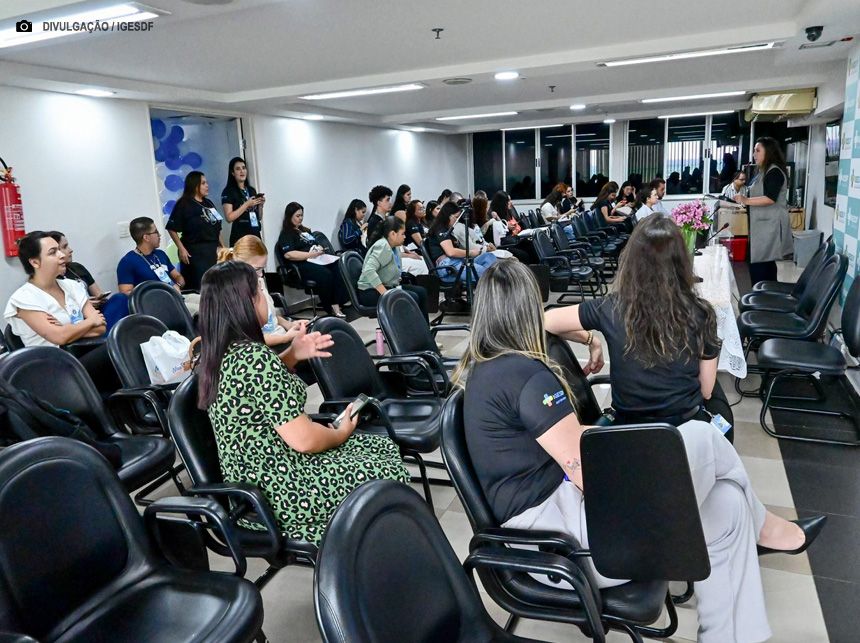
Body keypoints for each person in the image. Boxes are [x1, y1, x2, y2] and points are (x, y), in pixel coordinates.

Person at [457, 258, 826, 643]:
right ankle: (766, 528)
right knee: (699, 437)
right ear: (528, 310)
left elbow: (570, 446)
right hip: (565, 549)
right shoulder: (524, 377)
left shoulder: (493, 369)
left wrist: (636, 457)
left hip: (565, 524)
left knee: (730, 507)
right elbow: (582, 469)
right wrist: (643, 471)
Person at [197, 261, 409, 545]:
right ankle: (380, 545)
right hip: (279, 486)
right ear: (245, 303)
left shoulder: (222, 352)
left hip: (252, 477)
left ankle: (378, 534)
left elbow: (256, 392)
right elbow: (305, 441)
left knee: (377, 446)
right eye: (260, 292)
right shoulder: (254, 359)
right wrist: (341, 432)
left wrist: (293, 354)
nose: (265, 299)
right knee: (384, 467)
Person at [4, 231, 118, 392]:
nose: (62, 255)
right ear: (35, 262)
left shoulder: (72, 286)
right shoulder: (24, 299)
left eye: (59, 249)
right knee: (116, 350)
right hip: (53, 368)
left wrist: (67, 330)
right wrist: (88, 323)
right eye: (53, 252)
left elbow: (100, 327)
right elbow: (60, 336)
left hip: (84, 353)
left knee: (122, 346)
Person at [216, 235, 307, 348]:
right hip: (264, 348)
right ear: (239, 267)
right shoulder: (235, 296)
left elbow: (271, 316)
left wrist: (290, 324)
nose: (261, 274)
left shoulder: (258, 281)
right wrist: (286, 338)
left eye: (262, 268)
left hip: (280, 336)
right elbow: (251, 339)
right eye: (256, 269)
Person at [734, 138, 793, 286]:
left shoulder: (774, 172)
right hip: (761, 226)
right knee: (761, 266)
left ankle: (765, 297)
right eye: (754, 150)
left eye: (757, 150)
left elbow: (770, 198)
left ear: (769, 152)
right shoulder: (762, 171)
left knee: (762, 267)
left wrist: (746, 200)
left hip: (770, 227)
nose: (754, 154)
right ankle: (764, 295)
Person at [276, 202, 348, 318]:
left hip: (316, 259)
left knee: (338, 266)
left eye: (301, 215)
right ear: (290, 216)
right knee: (326, 274)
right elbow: (289, 254)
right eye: (297, 216)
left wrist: (319, 249)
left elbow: (315, 243)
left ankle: (339, 302)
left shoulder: (305, 231)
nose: (300, 218)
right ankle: (330, 306)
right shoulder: (287, 234)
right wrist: (309, 255)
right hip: (302, 265)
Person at [49, 231, 128, 330]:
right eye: (65, 247)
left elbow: (98, 293)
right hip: (77, 318)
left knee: (120, 299)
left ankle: (111, 333)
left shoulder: (77, 268)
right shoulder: (51, 278)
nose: (70, 250)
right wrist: (83, 305)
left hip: (96, 311)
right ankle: (110, 336)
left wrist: (99, 299)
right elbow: (60, 311)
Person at [357, 217, 429, 320]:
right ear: (392, 234)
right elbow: (368, 270)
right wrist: (386, 294)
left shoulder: (393, 246)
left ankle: (424, 332)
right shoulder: (383, 246)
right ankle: (408, 333)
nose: (405, 236)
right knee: (412, 297)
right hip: (370, 292)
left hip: (389, 286)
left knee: (421, 292)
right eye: (402, 234)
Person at [166, 171, 223, 291]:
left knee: (216, 284)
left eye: (206, 182)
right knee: (200, 285)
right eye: (203, 183)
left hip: (212, 250)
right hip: (195, 251)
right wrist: (181, 249)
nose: (207, 185)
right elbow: (171, 228)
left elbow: (217, 227)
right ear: (194, 185)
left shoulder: (209, 203)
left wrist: (223, 247)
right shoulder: (184, 203)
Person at [425, 202, 497, 283]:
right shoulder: (440, 229)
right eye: (456, 217)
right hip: (448, 266)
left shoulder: (448, 230)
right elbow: (451, 252)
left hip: (458, 261)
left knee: (489, 257)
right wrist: (471, 252)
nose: (457, 220)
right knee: (488, 274)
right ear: (448, 216)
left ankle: (485, 281)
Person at [117, 217, 185, 294]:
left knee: (199, 299)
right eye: (156, 232)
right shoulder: (127, 262)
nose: (159, 235)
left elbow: (177, 276)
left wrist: (178, 285)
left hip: (176, 296)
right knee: (198, 305)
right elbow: (125, 293)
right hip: (155, 303)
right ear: (146, 237)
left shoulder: (160, 254)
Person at [221, 156, 265, 246]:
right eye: (238, 169)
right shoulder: (228, 191)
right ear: (232, 173)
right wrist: (246, 204)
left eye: (244, 168)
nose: (242, 171)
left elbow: (259, 217)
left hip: (255, 234)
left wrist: (260, 205)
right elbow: (229, 218)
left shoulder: (251, 190)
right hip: (240, 237)